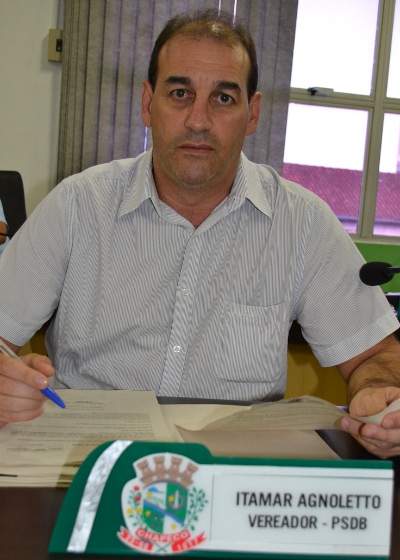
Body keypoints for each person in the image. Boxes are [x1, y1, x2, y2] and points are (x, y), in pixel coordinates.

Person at [0, 10, 400, 459]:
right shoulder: (76, 206)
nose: (198, 120)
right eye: (180, 93)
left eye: (223, 98)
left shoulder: (303, 222)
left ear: (252, 113)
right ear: (148, 103)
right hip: (86, 464)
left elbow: (374, 356)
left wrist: (381, 396)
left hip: (232, 474)